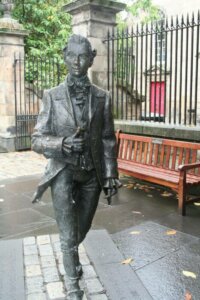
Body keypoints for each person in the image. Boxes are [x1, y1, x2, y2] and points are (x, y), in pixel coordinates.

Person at [32, 34, 121, 300]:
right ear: (64, 56)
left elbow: (107, 138)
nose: (77, 62)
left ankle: (70, 255)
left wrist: (110, 174)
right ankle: (73, 284)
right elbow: (37, 139)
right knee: (68, 231)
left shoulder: (102, 97)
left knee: (81, 227)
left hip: (91, 174)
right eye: (72, 55)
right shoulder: (52, 96)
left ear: (91, 58)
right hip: (63, 172)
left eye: (83, 56)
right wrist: (61, 144)